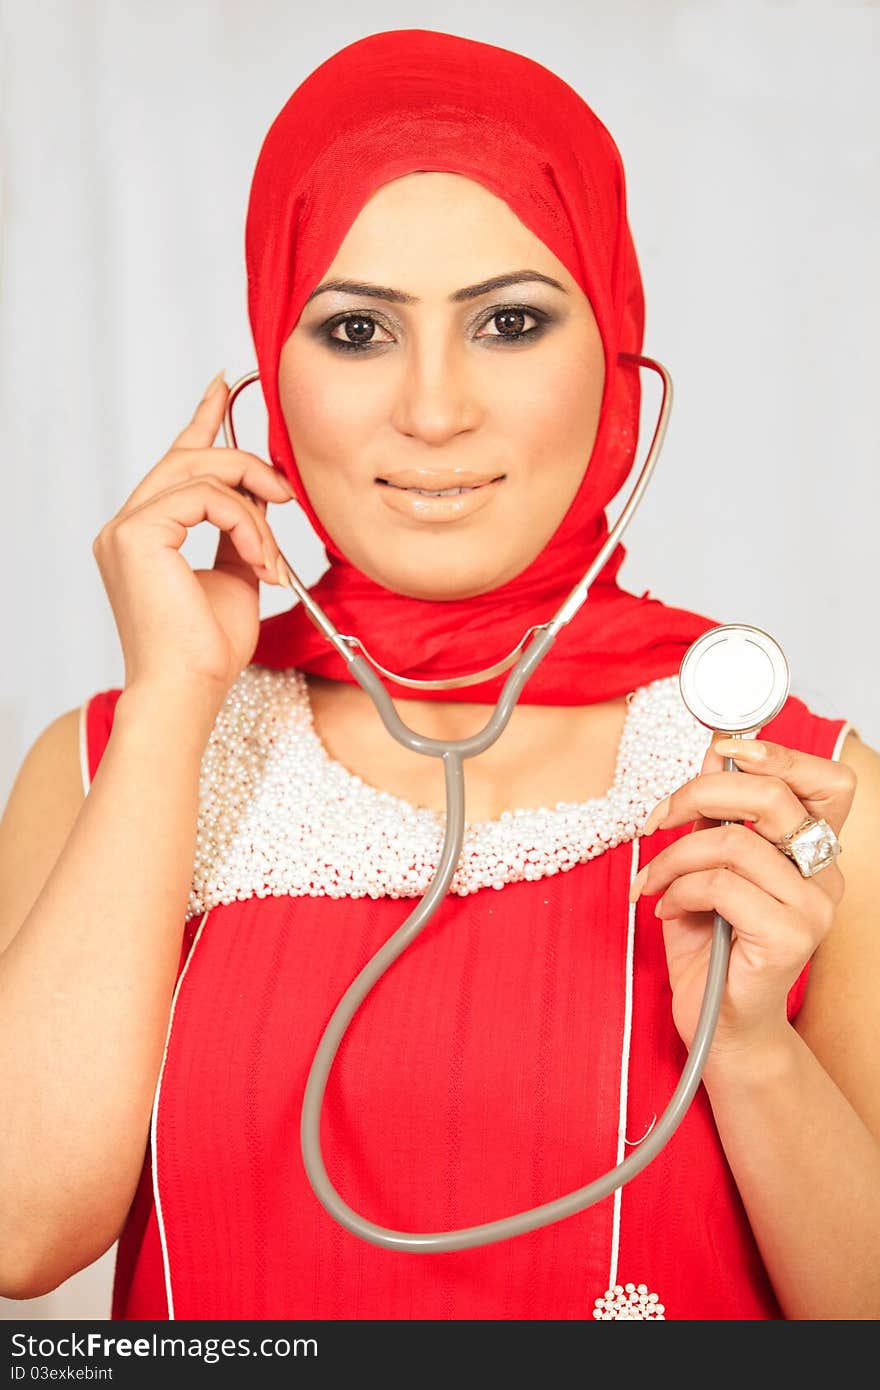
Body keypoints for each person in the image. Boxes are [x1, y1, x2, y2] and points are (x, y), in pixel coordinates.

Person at [1, 28, 878, 1323]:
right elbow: (25, 1231)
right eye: (356, 329)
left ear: (617, 355)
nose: (431, 409)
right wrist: (178, 700)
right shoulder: (106, 765)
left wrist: (747, 1051)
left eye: (509, 322)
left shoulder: (800, 789)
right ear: (270, 374)